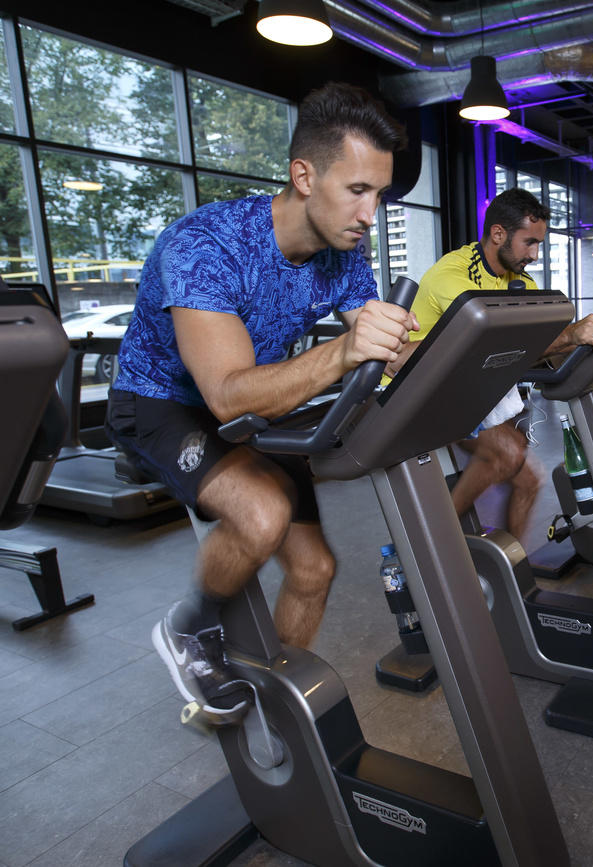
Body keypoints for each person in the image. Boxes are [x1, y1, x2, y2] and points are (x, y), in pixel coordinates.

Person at [105, 82, 417, 721]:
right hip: (164, 401)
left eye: (379, 194)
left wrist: (411, 353)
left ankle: (272, 700)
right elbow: (223, 396)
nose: (370, 212)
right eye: (358, 190)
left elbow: (375, 344)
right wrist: (345, 351)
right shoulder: (206, 246)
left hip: (260, 398)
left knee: (314, 571)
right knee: (263, 512)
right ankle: (189, 627)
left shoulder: (344, 257)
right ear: (304, 175)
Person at [386, 188, 593, 542]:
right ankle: (425, 543)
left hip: (466, 384)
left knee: (528, 480)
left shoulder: (521, 281)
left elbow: (534, 346)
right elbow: (496, 347)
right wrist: (570, 335)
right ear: (498, 234)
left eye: (539, 244)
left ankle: (513, 570)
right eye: (529, 243)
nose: (535, 255)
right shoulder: (455, 276)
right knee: (505, 455)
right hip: (419, 387)